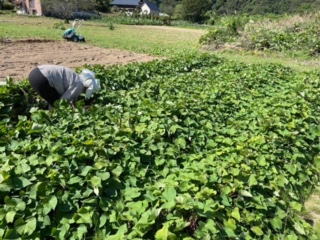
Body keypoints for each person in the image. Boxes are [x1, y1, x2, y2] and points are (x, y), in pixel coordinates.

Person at [28, 65, 100, 109]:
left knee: (53, 101)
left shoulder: (76, 78)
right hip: (42, 78)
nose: (85, 92)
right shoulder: (79, 85)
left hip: (36, 72)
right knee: (56, 105)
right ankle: (52, 123)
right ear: (87, 87)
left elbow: (73, 97)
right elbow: (63, 101)